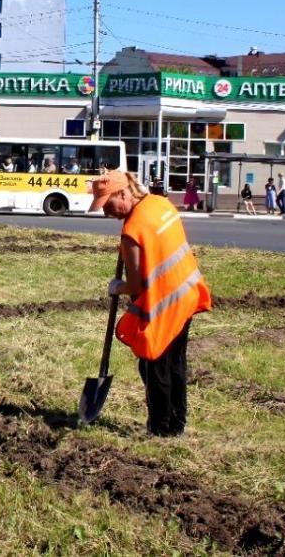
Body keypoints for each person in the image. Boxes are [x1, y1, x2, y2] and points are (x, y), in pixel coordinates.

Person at [90, 171, 212, 436]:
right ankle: (177, 424)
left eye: (108, 205)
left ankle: (160, 429)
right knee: (176, 362)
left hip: (165, 304)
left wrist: (117, 287)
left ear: (123, 193)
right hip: (187, 292)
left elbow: (135, 286)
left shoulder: (132, 231)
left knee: (153, 365)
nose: (106, 213)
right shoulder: (160, 204)